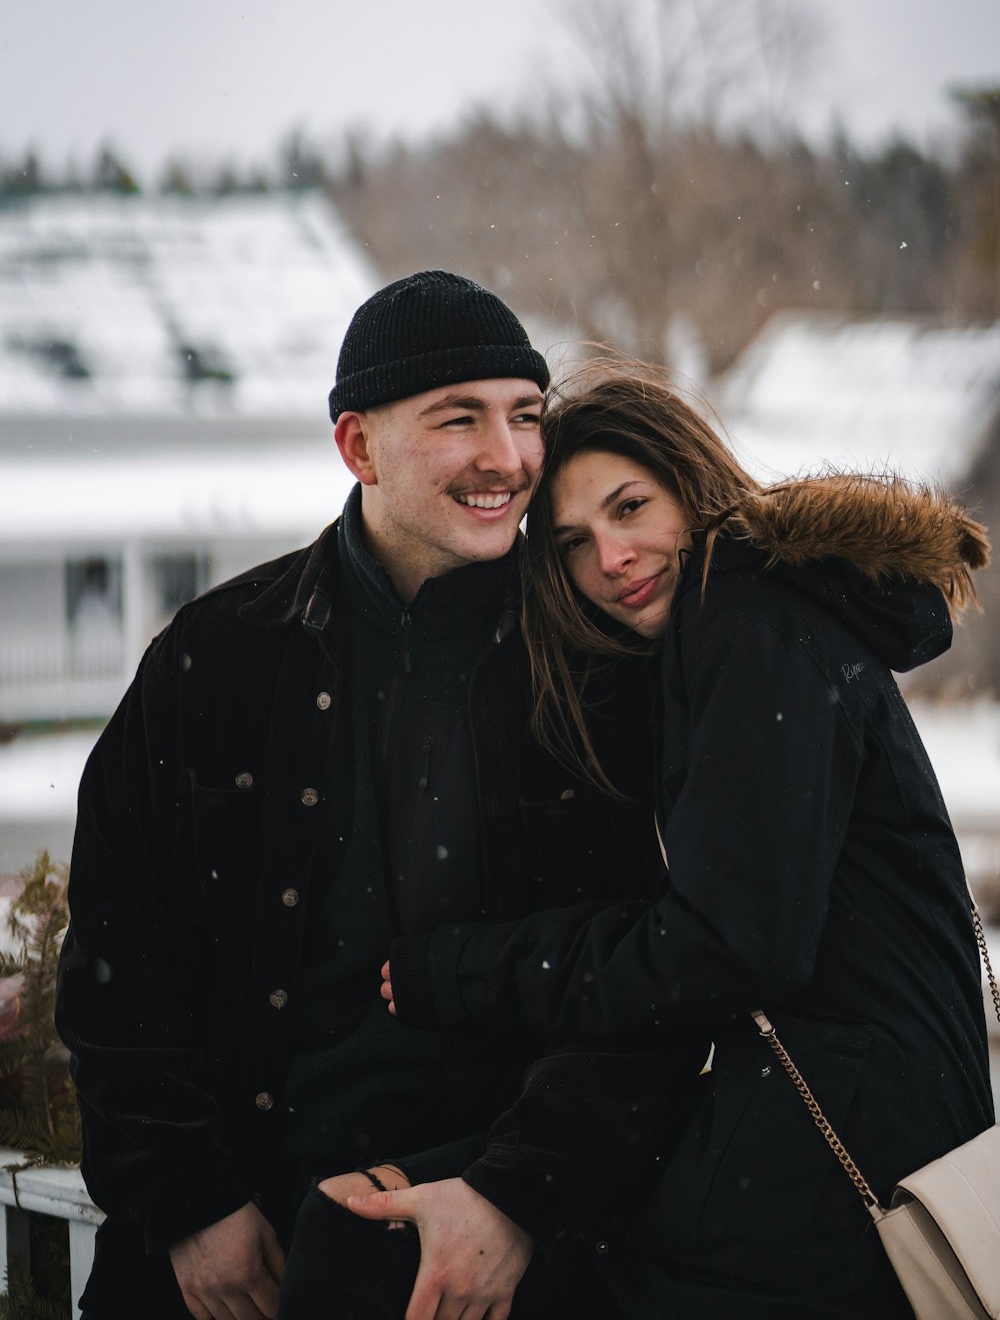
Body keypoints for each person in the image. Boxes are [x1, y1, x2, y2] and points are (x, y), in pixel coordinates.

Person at [55, 279, 692, 1320]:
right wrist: (188, 1202)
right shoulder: (216, 659)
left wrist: (514, 1198)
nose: (508, 456)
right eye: (459, 418)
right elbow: (120, 964)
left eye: (526, 416)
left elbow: (644, 980)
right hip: (222, 1240)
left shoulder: (593, 675)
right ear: (358, 447)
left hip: (477, 1252)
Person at [376, 362, 996, 1318]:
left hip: (833, 1159)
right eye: (575, 542)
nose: (612, 558)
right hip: (887, 1121)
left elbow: (729, 942)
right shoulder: (768, 618)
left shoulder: (750, 629)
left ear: (693, 484)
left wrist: (469, 970)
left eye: (631, 508)